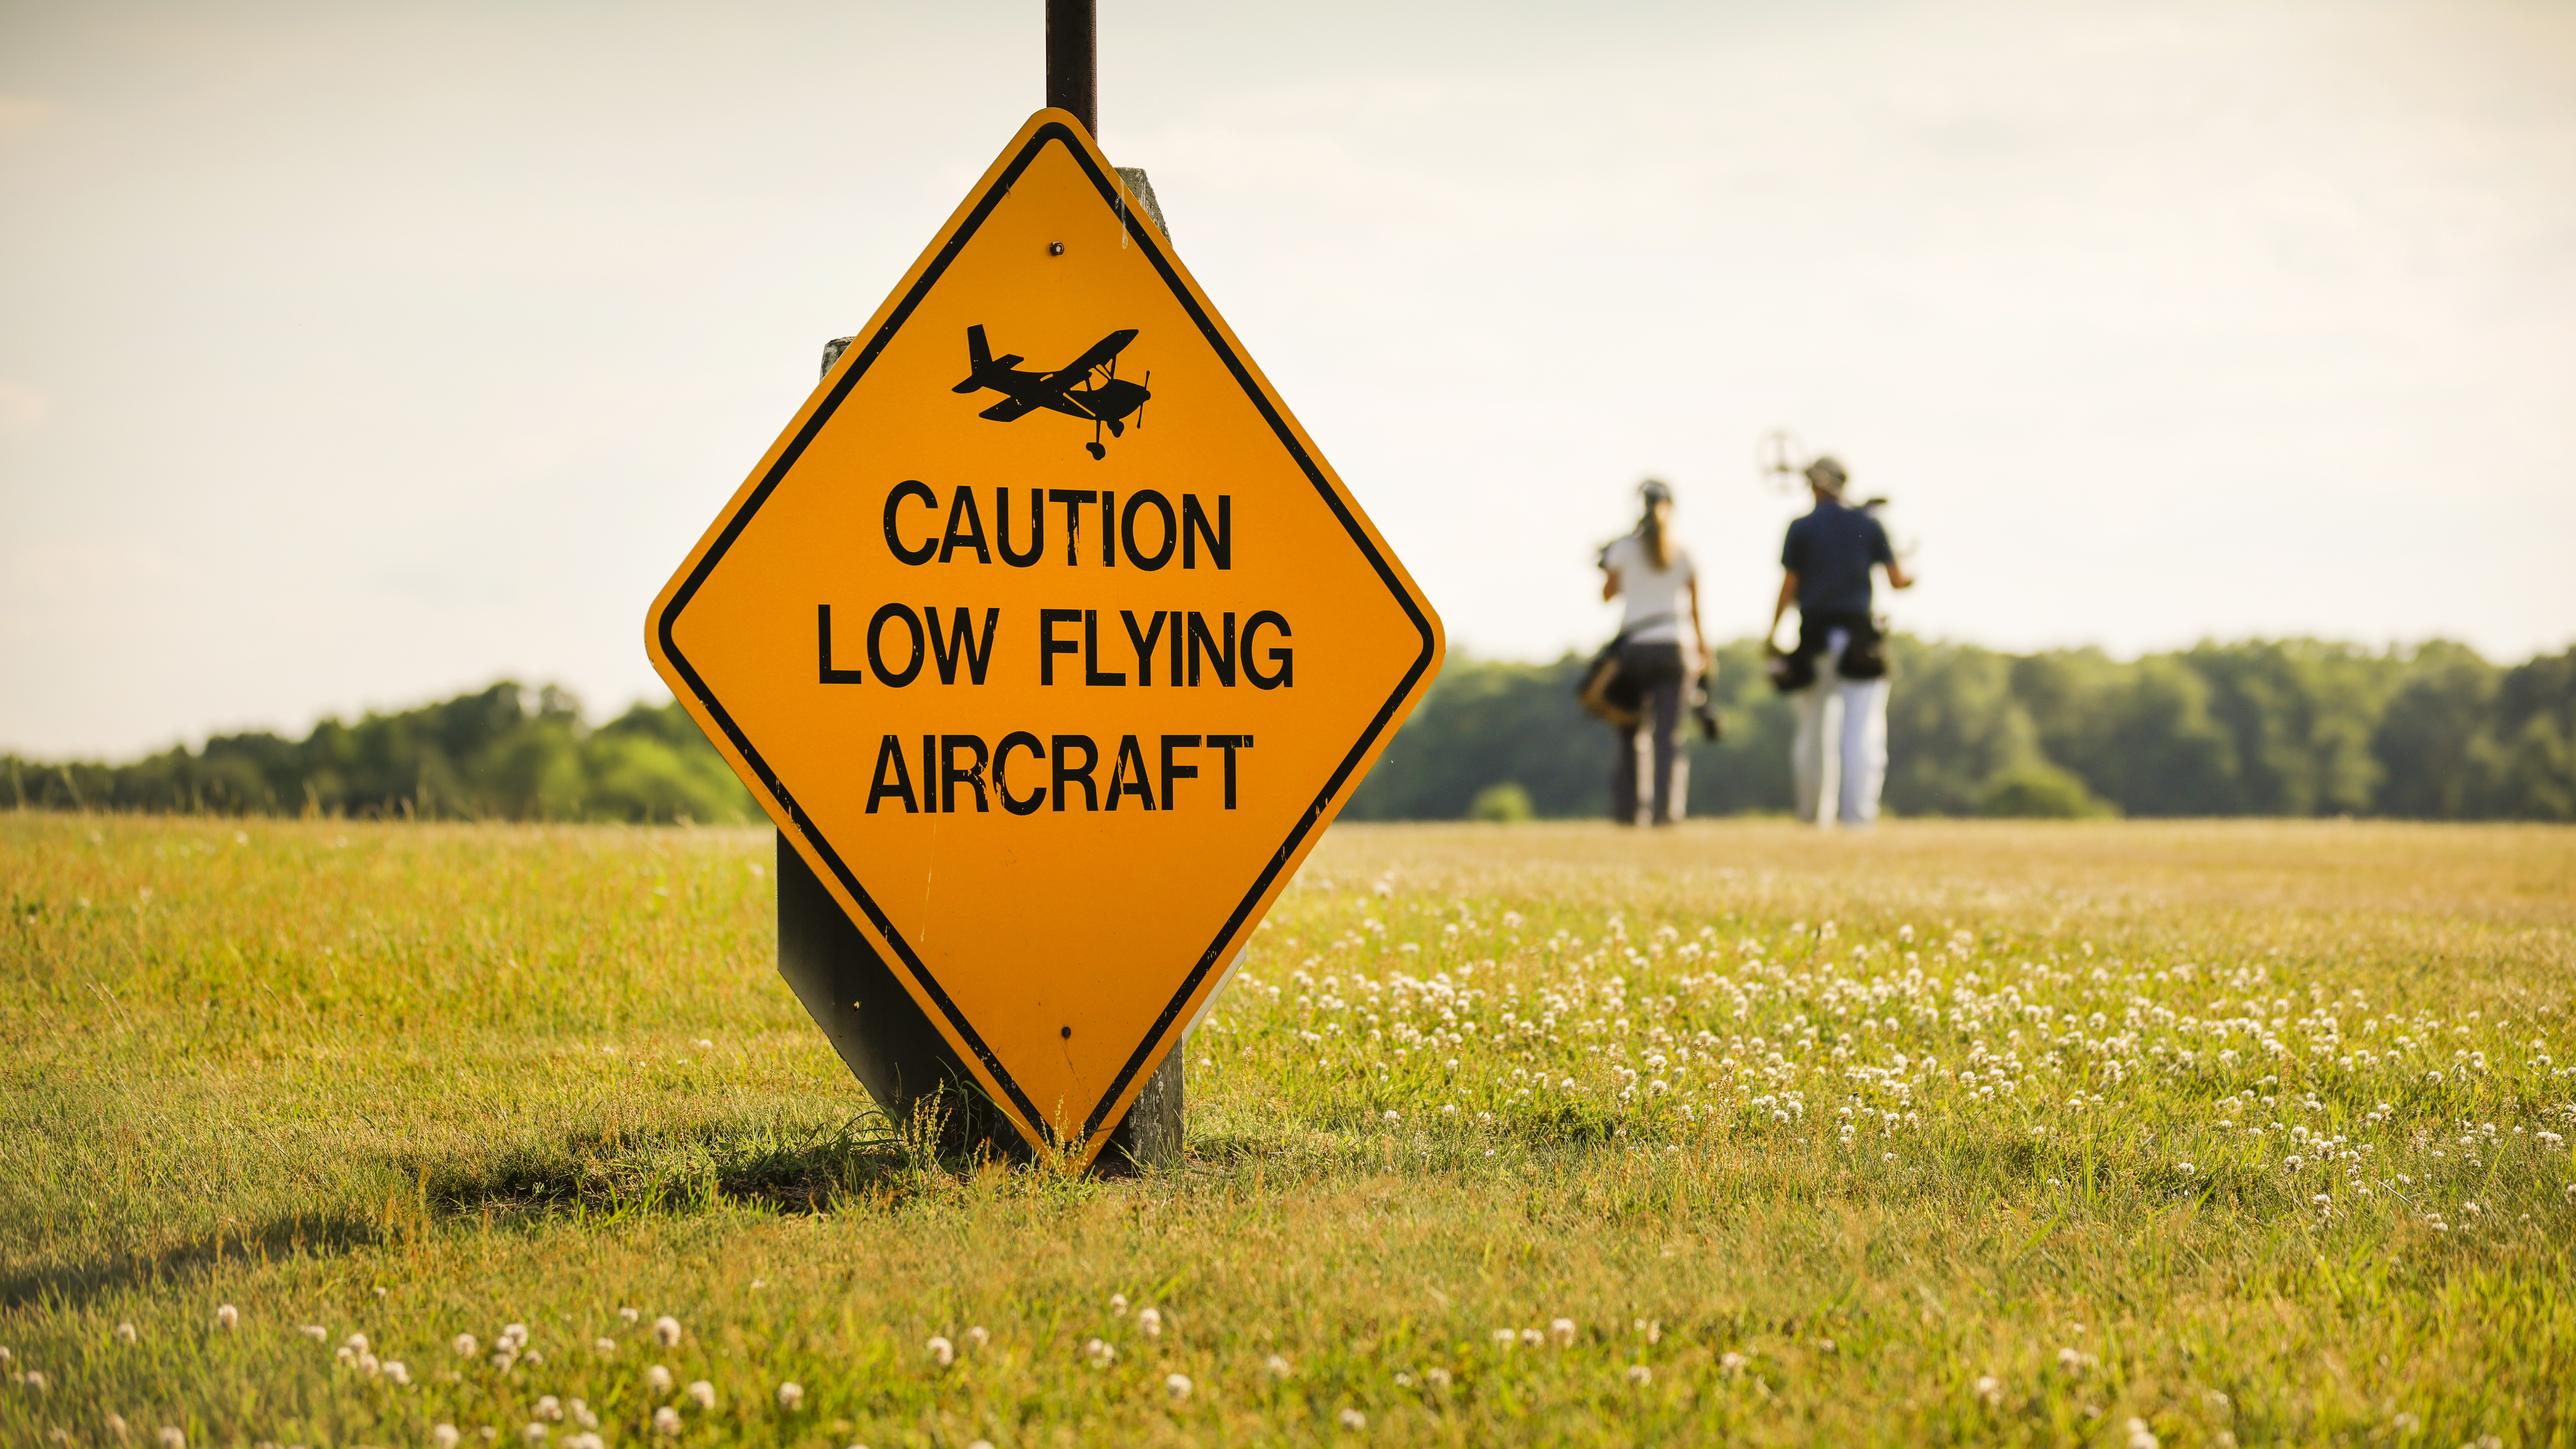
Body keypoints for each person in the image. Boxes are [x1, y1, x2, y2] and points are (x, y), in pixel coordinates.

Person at [1767, 456, 1914, 827]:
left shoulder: (1801, 527)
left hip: (1813, 637)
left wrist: (1772, 634)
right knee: (1860, 734)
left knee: (1813, 736)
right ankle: (1856, 818)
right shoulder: (1868, 524)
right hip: (1858, 641)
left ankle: (1811, 816)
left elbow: (1790, 586)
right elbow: (1898, 580)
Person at [1598, 479, 1707, 826]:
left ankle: (1632, 810)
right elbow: (1695, 610)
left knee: (1631, 731)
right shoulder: (1684, 553)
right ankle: (1668, 811)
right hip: (1674, 646)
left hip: (1635, 647)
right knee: (1669, 736)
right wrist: (1703, 652)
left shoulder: (1623, 549)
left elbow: (1607, 595)